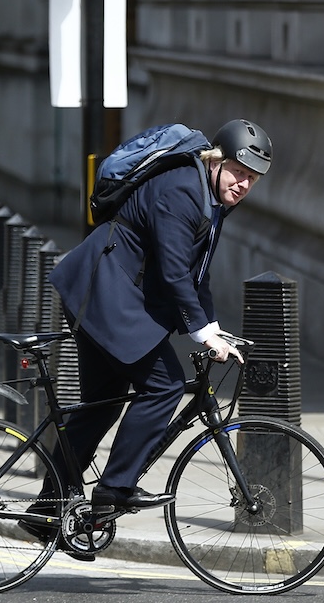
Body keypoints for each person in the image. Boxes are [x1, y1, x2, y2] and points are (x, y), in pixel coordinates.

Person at [30, 119, 272, 546]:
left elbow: (198, 275)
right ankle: (114, 489)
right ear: (216, 161)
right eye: (239, 171)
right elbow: (175, 272)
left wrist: (215, 329)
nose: (243, 184)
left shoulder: (211, 199)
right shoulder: (182, 189)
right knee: (165, 386)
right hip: (103, 292)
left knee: (101, 406)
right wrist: (200, 334)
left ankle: (46, 511)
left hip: (112, 297)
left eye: (251, 178)